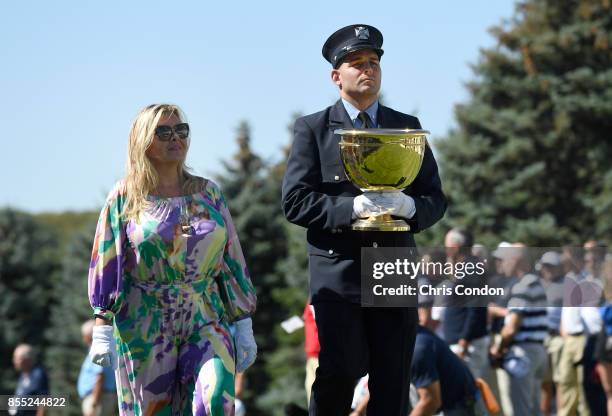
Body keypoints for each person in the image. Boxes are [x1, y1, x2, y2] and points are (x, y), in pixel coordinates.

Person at [281, 24, 447, 415]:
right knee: (340, 372)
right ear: (336, 76)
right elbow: (294, 201)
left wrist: (411, 209)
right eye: (356, 63)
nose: (367, 69)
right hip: (339, 271)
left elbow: (435, 199)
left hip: (392, 267)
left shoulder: (406, 127)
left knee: (393, 377)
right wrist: (350, 210)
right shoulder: (314, 129)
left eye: (373, 62)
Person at [87, 104, 257, 415]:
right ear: (143, 141)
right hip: (145, 321)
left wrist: (243, 320)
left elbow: (232, 257)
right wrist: (102, 325)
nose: (175, 138)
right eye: (163, 132)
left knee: (216, 397)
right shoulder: (125, 197)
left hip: (205, 314)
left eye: (181, 130)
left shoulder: (209, 194)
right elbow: (106, 260)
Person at [489, 244, 548, 416]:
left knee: (519, 410)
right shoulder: (535, 283)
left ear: (516, 260)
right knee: (534, 407)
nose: (501, 264)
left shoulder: (522, 286)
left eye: (504, 260)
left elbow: (511, 327)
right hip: (537, 351)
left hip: (523, 353)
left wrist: (497, 349)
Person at [77, 320, 117, 416]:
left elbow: (100, 376)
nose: (83, 339)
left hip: (98, 398)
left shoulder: (97, 350)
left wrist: (94, 402)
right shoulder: (100, 349)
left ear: (89, 336)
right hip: (101, 396)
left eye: (84, 336)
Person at [10, 344, 49, 416]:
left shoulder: (38, 375)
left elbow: (43, 401)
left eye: (17, 358)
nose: (14, 361)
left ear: (28, 359)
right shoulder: (23, 374)